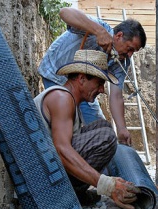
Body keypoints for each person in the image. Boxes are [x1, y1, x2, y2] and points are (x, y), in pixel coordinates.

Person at [34, 49, 141, 209]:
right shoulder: (62, 99)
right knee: (106, 136)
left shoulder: (69, 101)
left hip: (46, 171)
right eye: (99, 83)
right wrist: (107, 185)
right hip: (41, 181)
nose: (102, 90)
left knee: (103, 127)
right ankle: (65, 197)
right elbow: (62, 149)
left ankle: (75, 193)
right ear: (82, 79)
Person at [38, 7, 147, 146]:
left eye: (134, 51)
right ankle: (64, 159)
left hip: (84, 87)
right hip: (55, 74)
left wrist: (121, 128)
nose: (130, 55)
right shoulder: (98, 27)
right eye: (130, 48)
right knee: (66, 125)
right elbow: (64, 12)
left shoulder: (122, 60)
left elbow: (116, 96)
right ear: (119, 36)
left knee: (100, 128)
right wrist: (98, 31)